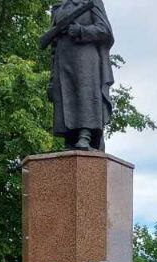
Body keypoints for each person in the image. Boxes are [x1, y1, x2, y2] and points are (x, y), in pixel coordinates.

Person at [43, 0, 114, 151]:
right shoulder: (58, 7)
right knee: (65, 96)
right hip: (63, 60)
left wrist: (81, 31)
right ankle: (70, 136)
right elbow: (53, 45)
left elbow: (105, 30)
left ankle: (85, 135)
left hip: (86, 58)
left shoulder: (92, 2)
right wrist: (52, 77)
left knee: (86, 95)